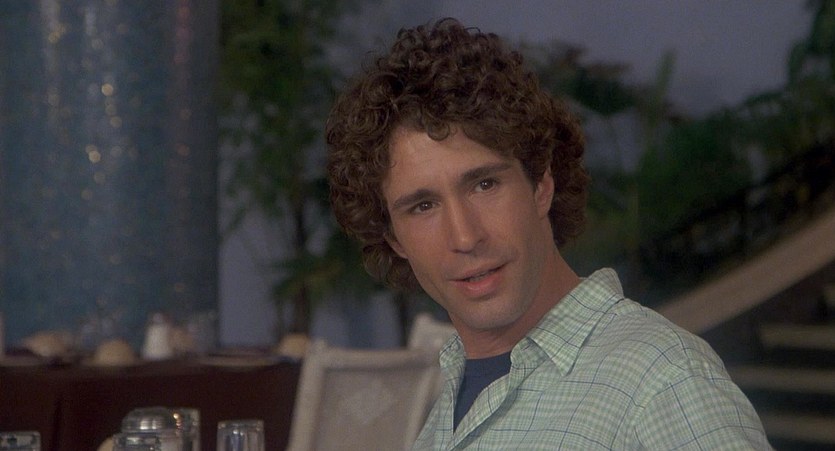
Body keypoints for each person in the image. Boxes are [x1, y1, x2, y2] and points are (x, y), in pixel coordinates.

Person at [325, 17, 771, 450]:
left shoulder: (662, 381)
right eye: (423, 207)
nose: (464, 236)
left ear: (541, 184)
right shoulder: (447, 401)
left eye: (485, 185)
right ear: (394, 239)